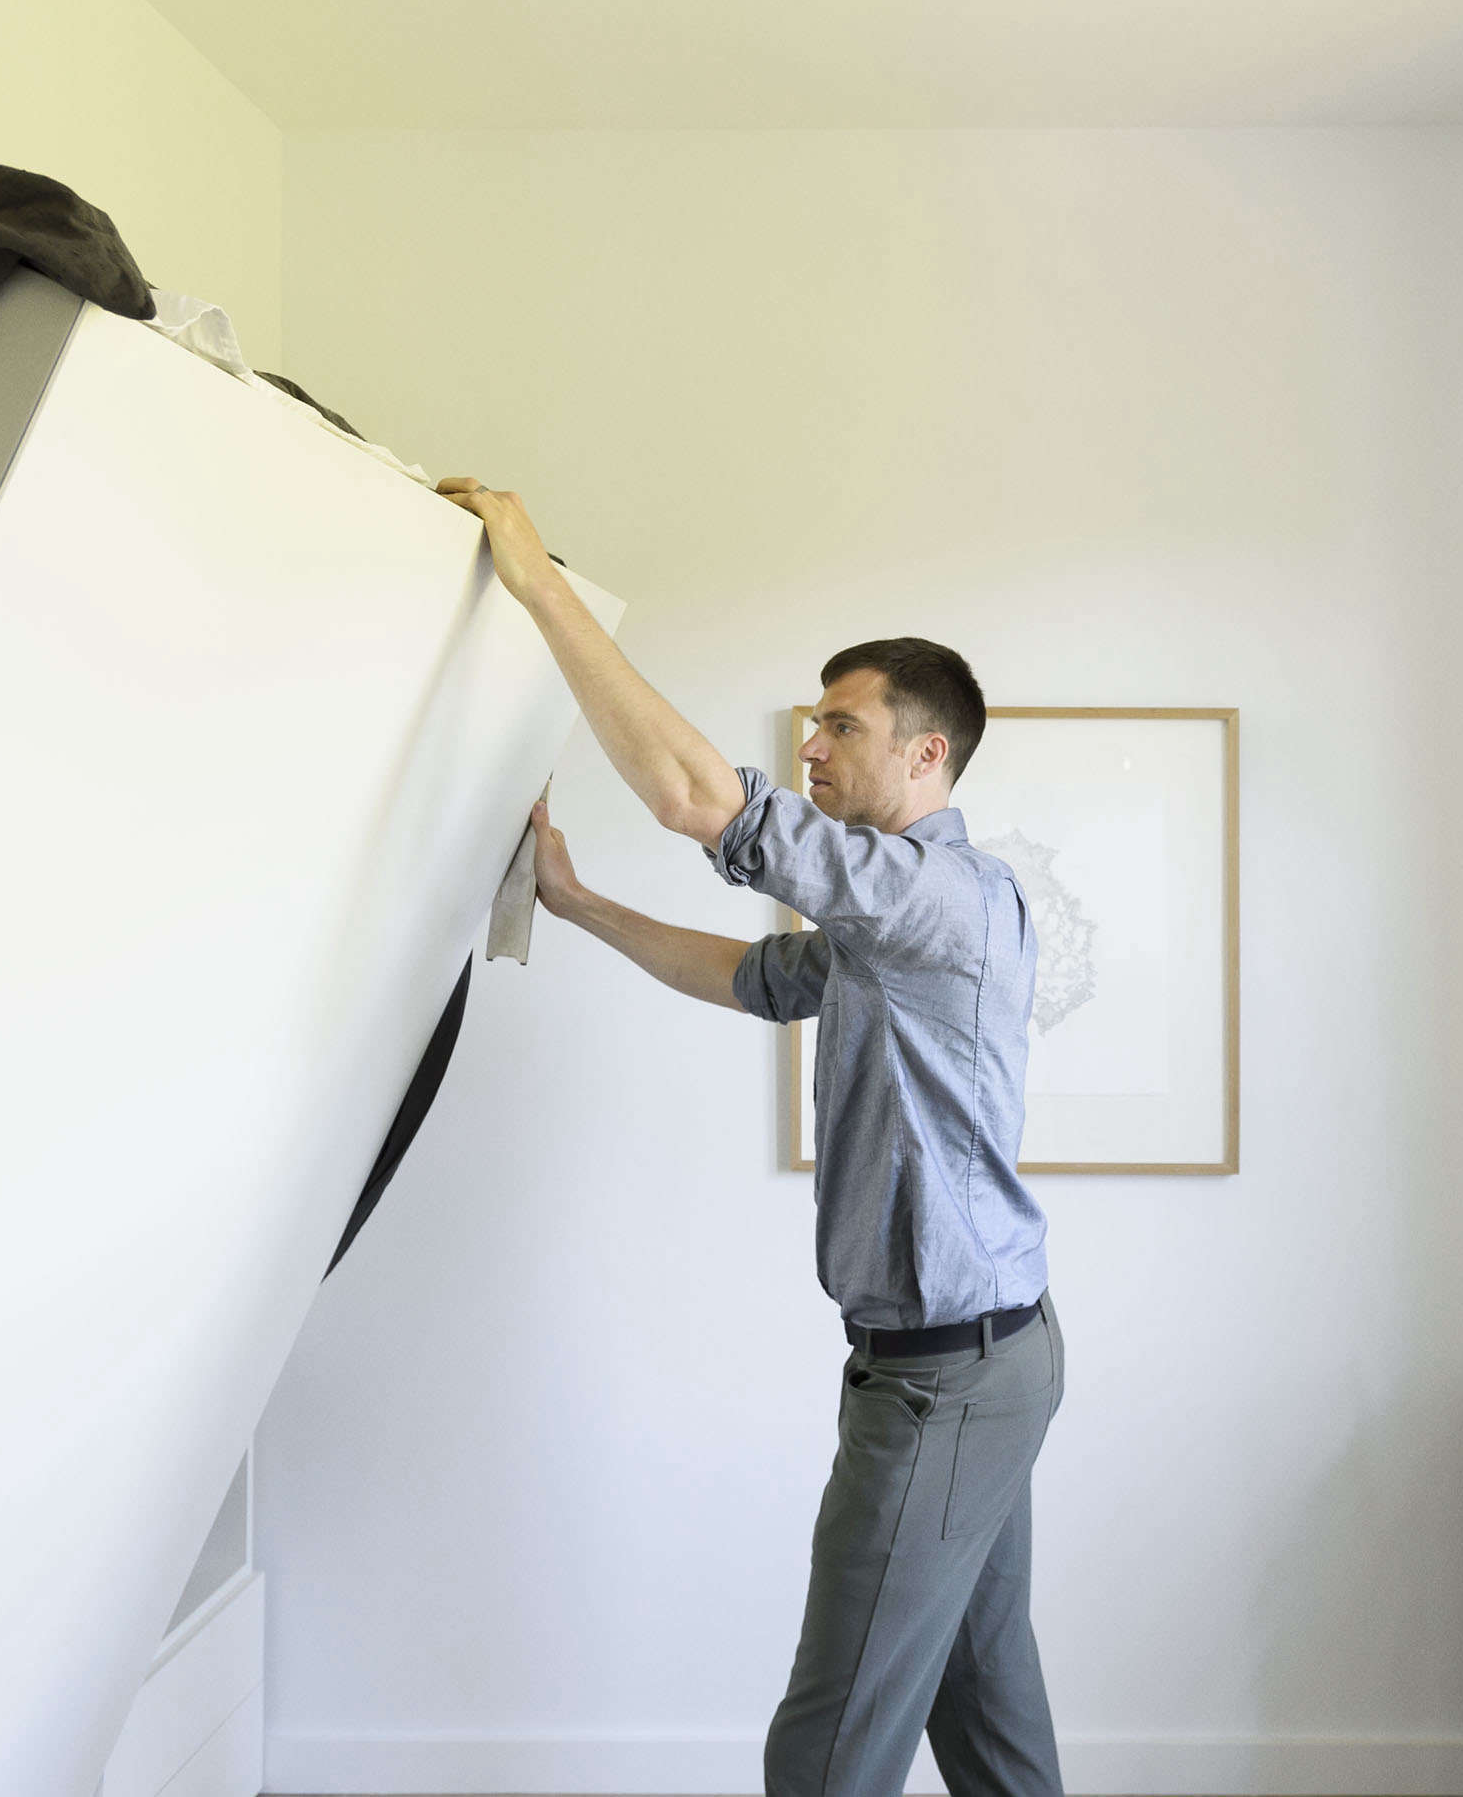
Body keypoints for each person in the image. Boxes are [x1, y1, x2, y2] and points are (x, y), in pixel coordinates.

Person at [438, 476, 1064, 1797]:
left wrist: (539, 582)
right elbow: (749, 978)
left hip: (947, 1376)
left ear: (926, 755)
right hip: (983, 1355)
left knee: (828, 1746)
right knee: (985, 1702)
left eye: (844, 724)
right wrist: (580, 901)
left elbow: (697, 801)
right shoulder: (881, 927)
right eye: (816, 722)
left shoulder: (935, 896)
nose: (815, 746)